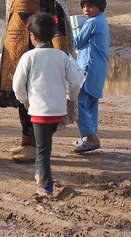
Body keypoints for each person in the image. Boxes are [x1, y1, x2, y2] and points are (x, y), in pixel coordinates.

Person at [0, 0, 71, 163]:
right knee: (22, 93)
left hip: (39, 43)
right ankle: (27, 141)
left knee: (39, 92)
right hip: (17, 43)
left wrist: (57, 46)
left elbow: (55, 10)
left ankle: (38, 144)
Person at [13, 13, 83, 197]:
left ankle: (47, 187)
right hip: (57, 110)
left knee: (43, 150)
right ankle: (39, 174)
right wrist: (70, 97)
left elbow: (17, 84)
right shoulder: (62, 56)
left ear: (32, 36)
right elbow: (76, 81)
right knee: (45, 143)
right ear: (53, 34)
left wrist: (23, 100)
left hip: (39, 111)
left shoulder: (28, 57)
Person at [73, 0, 109, 153]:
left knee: (78, 102)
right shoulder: (102, 21)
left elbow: (77, 42)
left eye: (90, 6)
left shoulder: (92, 23)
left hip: (88, 69)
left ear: (100, 7)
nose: (86, 10)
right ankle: (90, 135)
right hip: (98, 70)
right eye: (84, 6)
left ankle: (90, 137)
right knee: (91, 103)